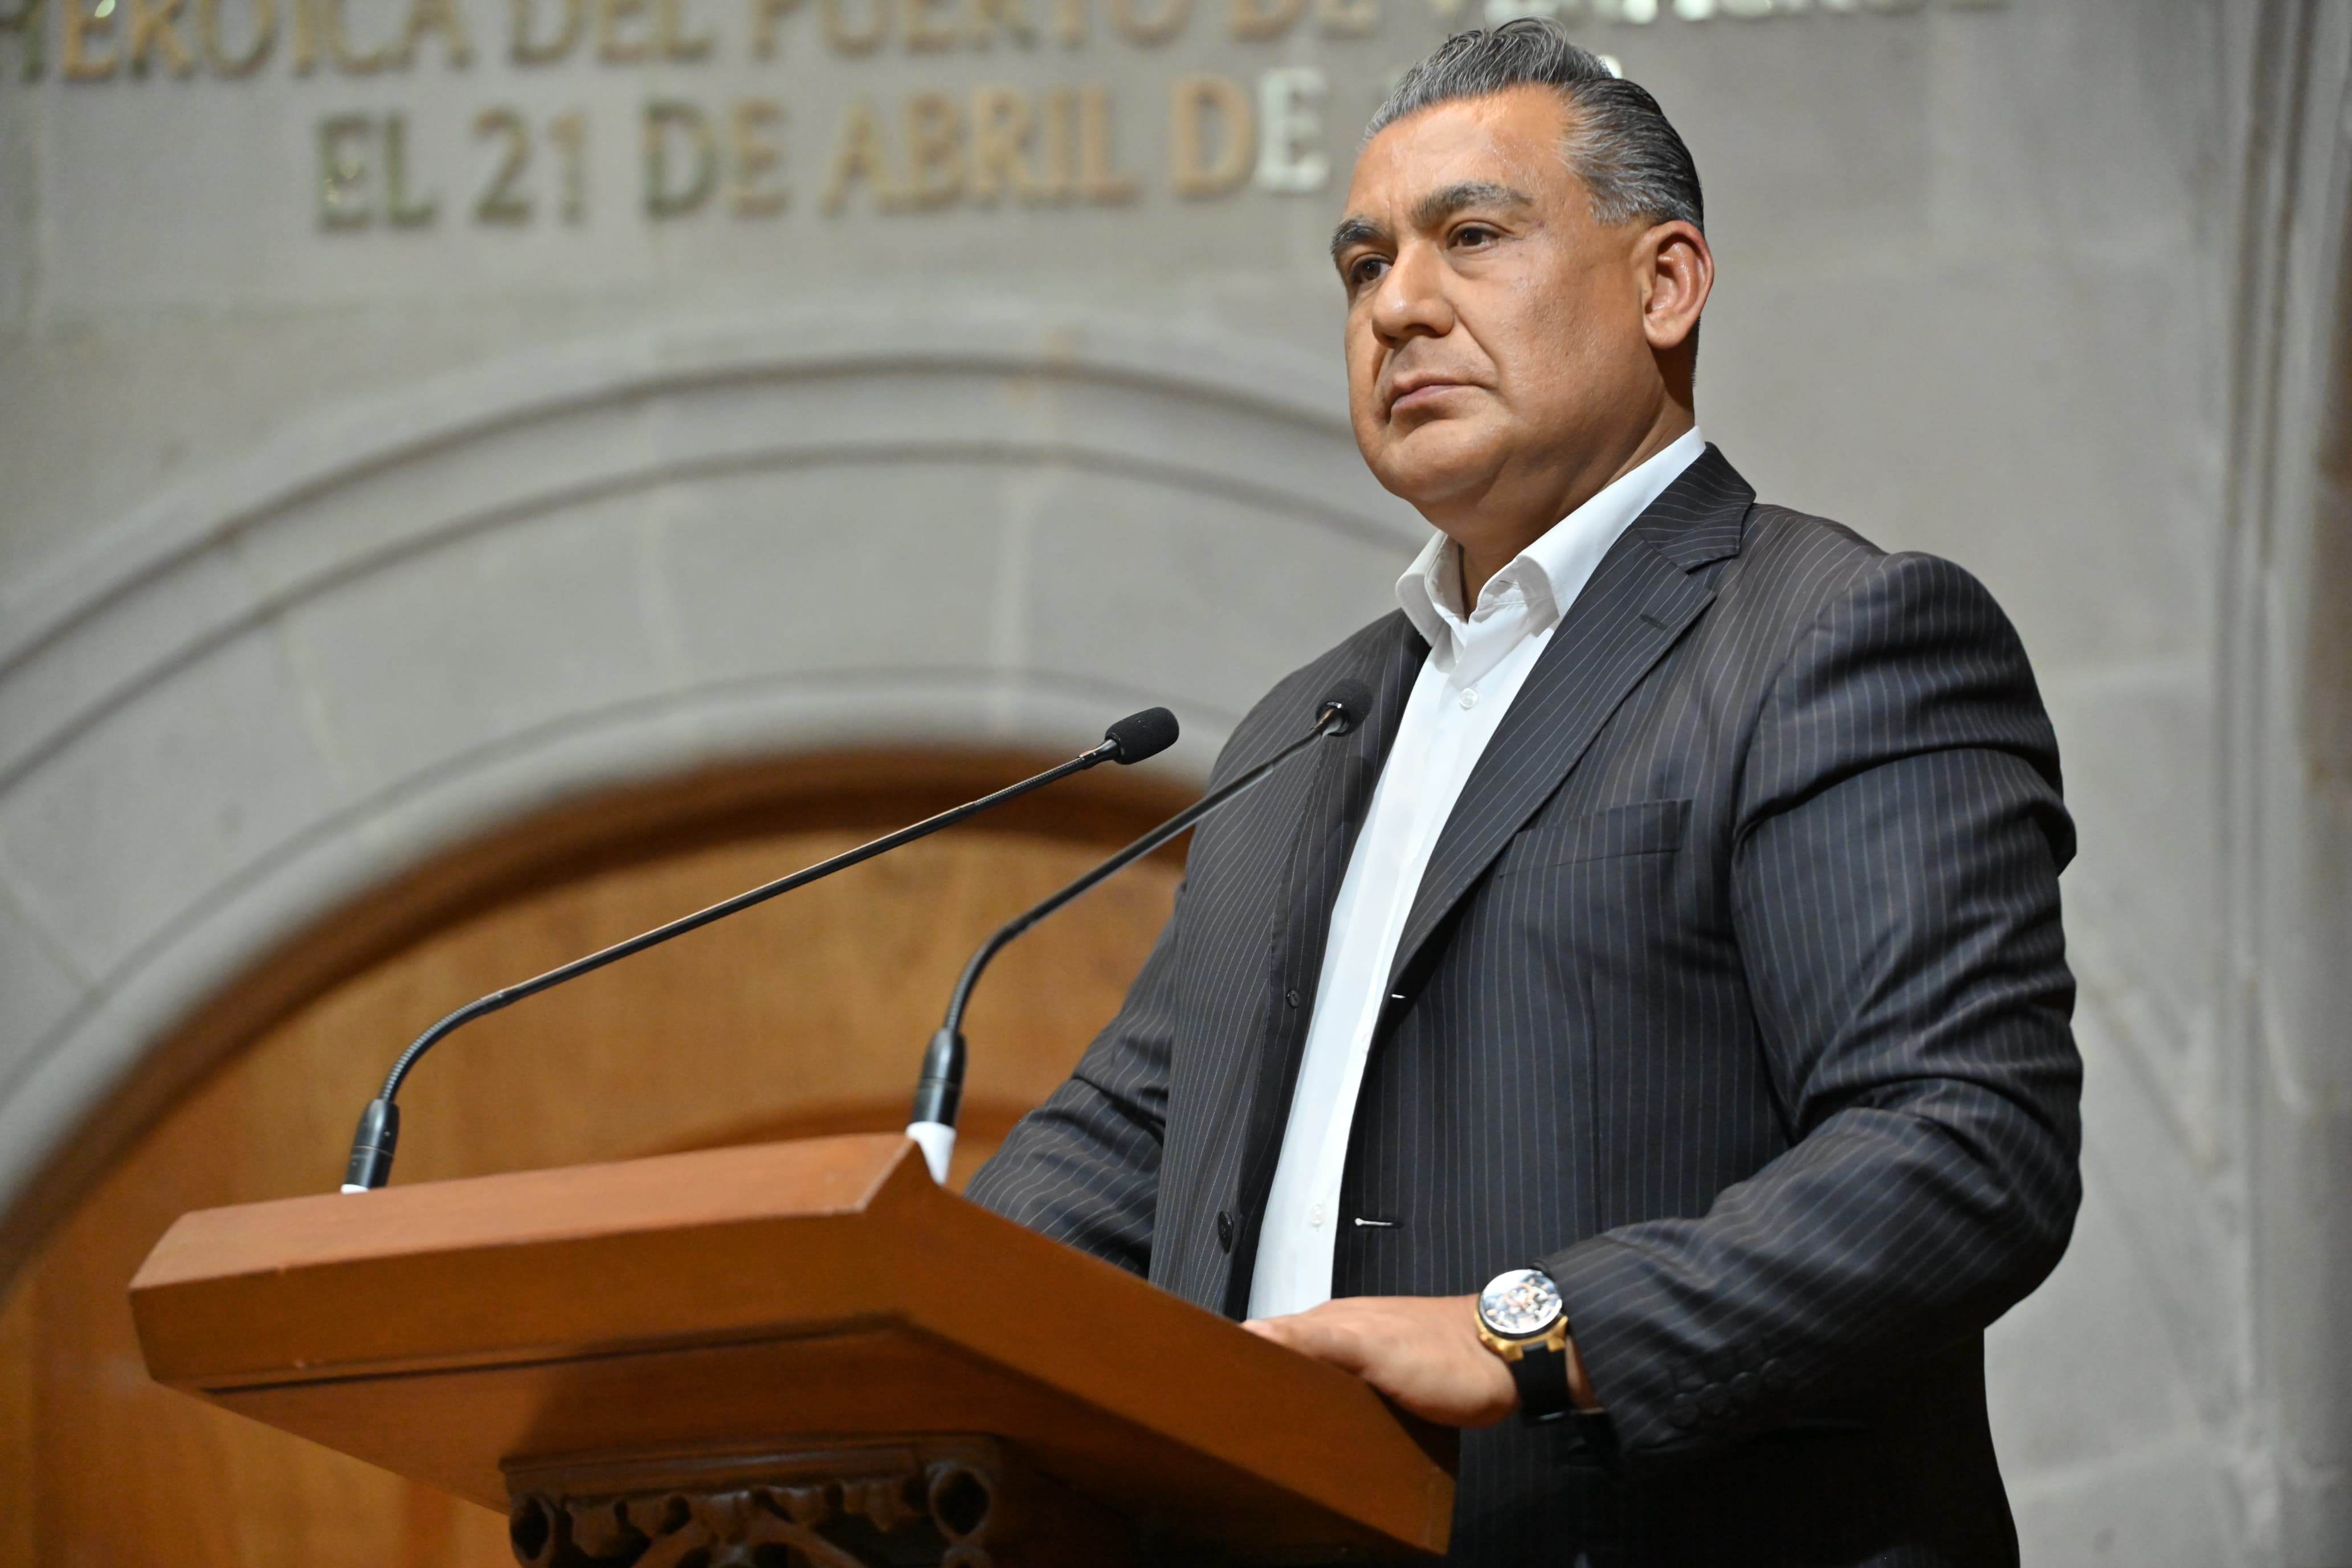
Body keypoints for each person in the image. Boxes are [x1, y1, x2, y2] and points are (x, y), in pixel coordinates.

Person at [967, 19, 2081, 1565]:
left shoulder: (1830, 637)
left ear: (1667, 284)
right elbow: (1128, 1144)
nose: (1398, 305)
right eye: (1364, 266)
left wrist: (1531, 1334)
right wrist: (856, 1313)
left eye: (1472, 238)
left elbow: (1962, 1146)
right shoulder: (1310, 726)